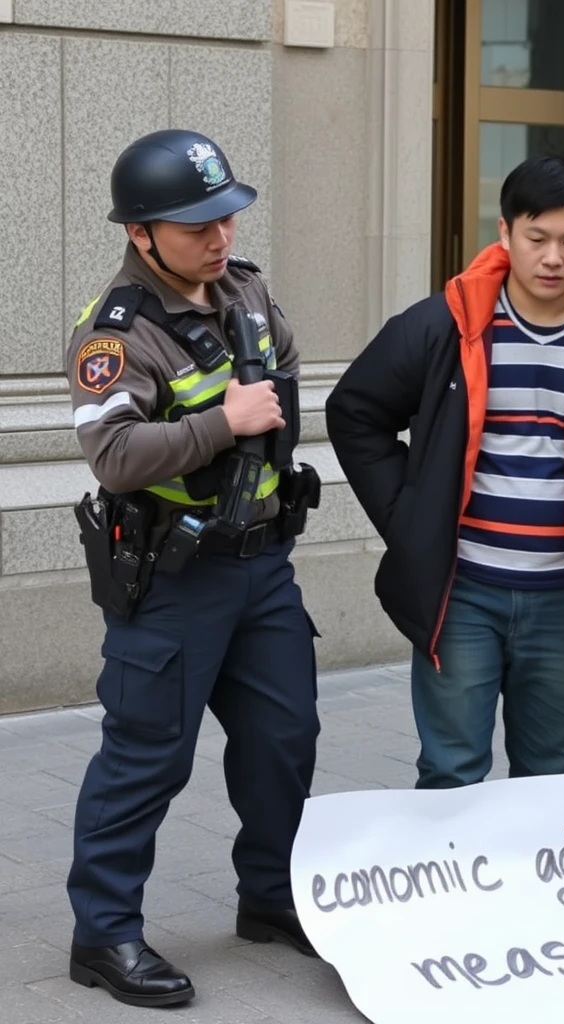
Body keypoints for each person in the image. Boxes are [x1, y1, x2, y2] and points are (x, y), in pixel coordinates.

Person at [326, 153, 564, 789]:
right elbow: (354, 412)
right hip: (463, 592)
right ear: (504, 233)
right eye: (536, 238)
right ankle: (457, 892)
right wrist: (410, 519)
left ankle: (535, 892)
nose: (552, 257)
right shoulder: (446, 326)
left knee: (553, 776)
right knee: (451, 772)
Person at [65, 129, 322, 1007]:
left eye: (226, 216)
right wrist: (223, 424)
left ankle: (272, 898)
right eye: (196, 225)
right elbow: (113, 454)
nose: (220, 237)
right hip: (174, 581)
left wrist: (260, 416)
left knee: (284, 739)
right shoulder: (116, 335)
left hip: (262, 564)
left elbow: (282, 369)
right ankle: (103, 934)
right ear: (142, 235)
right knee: (146, 758)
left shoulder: (244, 287)